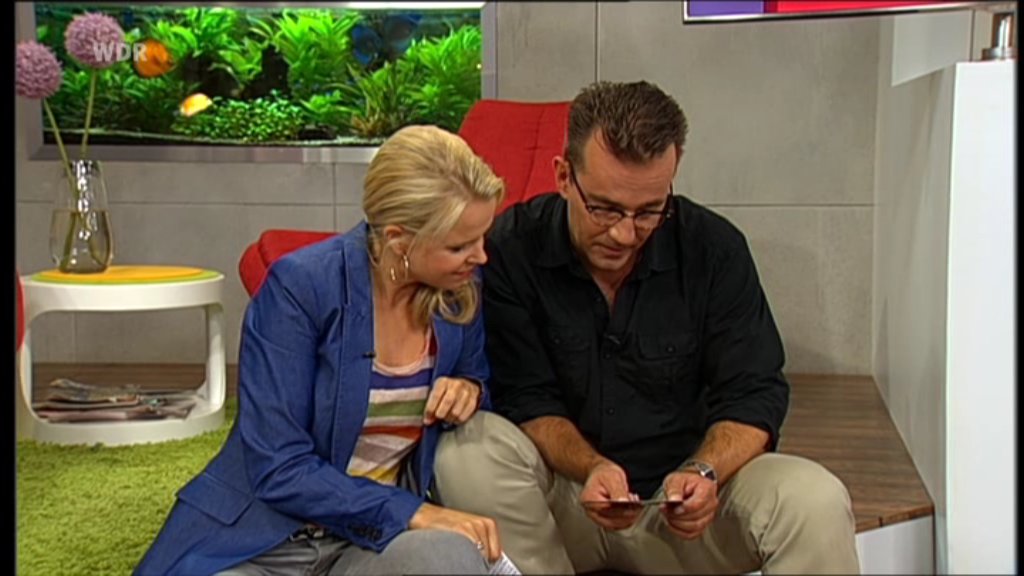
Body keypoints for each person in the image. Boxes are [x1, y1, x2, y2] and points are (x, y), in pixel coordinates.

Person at [433, 81, 860, 575]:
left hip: (686, 512)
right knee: (467, 451)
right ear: (564, 176)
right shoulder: (509, 249)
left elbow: (754, 393)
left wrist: (704, 471)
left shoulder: (714, 250)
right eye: (604, 208)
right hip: (563, 508)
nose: (624, 233)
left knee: (815, 500)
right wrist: (592, 468)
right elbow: (526, 397)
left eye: (649, 211)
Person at [135, 125, 507, 576]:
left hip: (367, 542)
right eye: (459, 246)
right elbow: (279, 467)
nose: (481, 256)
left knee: (451, 559)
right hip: (262, 540)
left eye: (481, 238)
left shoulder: (457, 292)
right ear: (398, 240)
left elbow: (477, 377)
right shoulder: (299, 288)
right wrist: (411, 512)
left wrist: (470, 388)